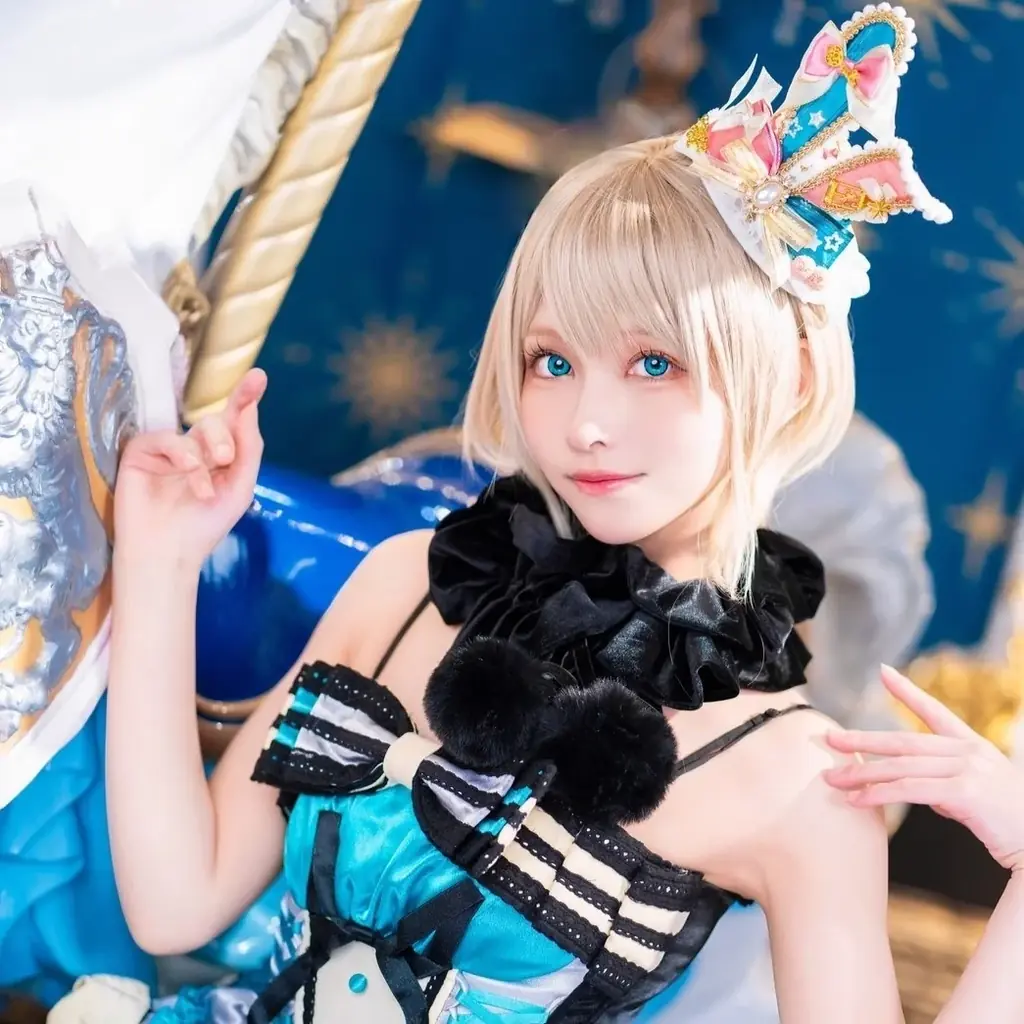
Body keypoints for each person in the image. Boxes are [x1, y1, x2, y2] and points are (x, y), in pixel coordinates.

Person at [103, 7, 1022, 1022]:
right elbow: (176, 903)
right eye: (552, 360)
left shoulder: (796, 781)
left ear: (791, 378)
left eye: (654, 363)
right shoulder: (406, 585)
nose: (585, 422)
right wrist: (160, 562)